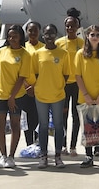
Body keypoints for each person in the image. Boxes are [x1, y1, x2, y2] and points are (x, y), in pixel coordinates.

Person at [32, 23, 71, 169]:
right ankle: (43, 156)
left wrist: (57, 84)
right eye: (47, 34)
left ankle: (58, 156)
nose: (49, 36)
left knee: (59, 126)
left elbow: (66, 74)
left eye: (52, 33)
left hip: (58, 95)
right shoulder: (37, 54)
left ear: (56, 35)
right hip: (41, 95)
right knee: (42, 126)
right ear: (43, 35)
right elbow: (35, 73)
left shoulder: (63, 54)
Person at [75, 24, 99, 168]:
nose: (95, 37)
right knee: (88, 127)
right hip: (85, 97)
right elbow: (78, 75)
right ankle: (88, 155)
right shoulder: (80, 54)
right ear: (87, 36)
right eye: (92, 35)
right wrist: (85, 94)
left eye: (98, 35)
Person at [0, 24, 31, 169]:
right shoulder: (1, 52)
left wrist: (12, 97)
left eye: (15, 36)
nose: (12, 39)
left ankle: (11, 156)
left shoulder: (25, 54)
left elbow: (22, 78)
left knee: (15, 125)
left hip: (17, 96)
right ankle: (2, 155)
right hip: (0, 94)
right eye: (9, 36)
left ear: (21, 37)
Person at [55, 8, 84, 156]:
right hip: (63, 85)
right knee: (63, 116)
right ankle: (63, 145)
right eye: (68, 26)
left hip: (78, 85)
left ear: (78, 27)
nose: (70, 28)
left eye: (73, 26)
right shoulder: (59, 43)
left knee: (76, 116)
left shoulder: (83, 43)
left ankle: (73, 146)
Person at [23, 21, 43, 148]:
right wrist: (26, 85)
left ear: (39, 31)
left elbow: (45, 70)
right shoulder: (22, 47)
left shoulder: (44, 47)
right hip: (24, 89)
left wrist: (35, 86)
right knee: (26, 119)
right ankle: (29, 145)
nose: (33, 33)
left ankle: (38, 144)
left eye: (35, 30)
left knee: (38, 118)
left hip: (39, 89)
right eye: (30, 30)